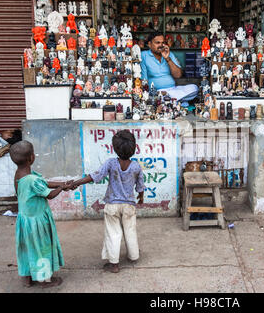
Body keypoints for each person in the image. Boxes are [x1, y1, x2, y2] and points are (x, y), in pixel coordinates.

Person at [70, 130, 145, 273]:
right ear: (134, 148)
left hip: (112, 205)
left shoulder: (111, 163)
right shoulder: (136, 166)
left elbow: (95, 176)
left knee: (113, 233)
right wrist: (141, 197)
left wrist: (77, 182)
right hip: (129, 205)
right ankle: (133, 256)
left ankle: (114, 264)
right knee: (130, 230)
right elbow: (140, 186)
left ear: (115, 149)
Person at [10, 140, 71, 288]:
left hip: (25, 221)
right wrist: (62, 188)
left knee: (27, 248)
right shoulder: (32, 179)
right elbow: (49, 195)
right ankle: (44, 280)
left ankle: (27, 278)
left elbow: (42, 182)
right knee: (42, 248)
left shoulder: (19, 175)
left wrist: (60, 184)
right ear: (31, 158)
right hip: (37, 222)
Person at [141, 32, 198, 107]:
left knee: (194, 88)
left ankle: (169, 100)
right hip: (156, 92)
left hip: (173, 90)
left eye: (163, 43)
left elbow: (178, 75)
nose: (161, 45)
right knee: (151, 96)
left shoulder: (169, 54)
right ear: (149, 44)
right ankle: (176, 101)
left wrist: (167, 58)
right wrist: (155, 93)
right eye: (157, 43)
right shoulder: (144, 55)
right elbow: (144, 81)